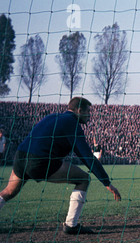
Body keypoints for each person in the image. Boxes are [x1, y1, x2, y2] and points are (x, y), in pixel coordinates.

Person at [0, 97, 121, 235]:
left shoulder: (53, 116)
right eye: (88, 112)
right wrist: (106, 182)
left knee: (8, 192)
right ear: (79, 110)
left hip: (21, 156)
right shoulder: (72, 124)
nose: (89, 116)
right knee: (83, 179)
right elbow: (87, 156)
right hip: (40, 161)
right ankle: (71, 225)